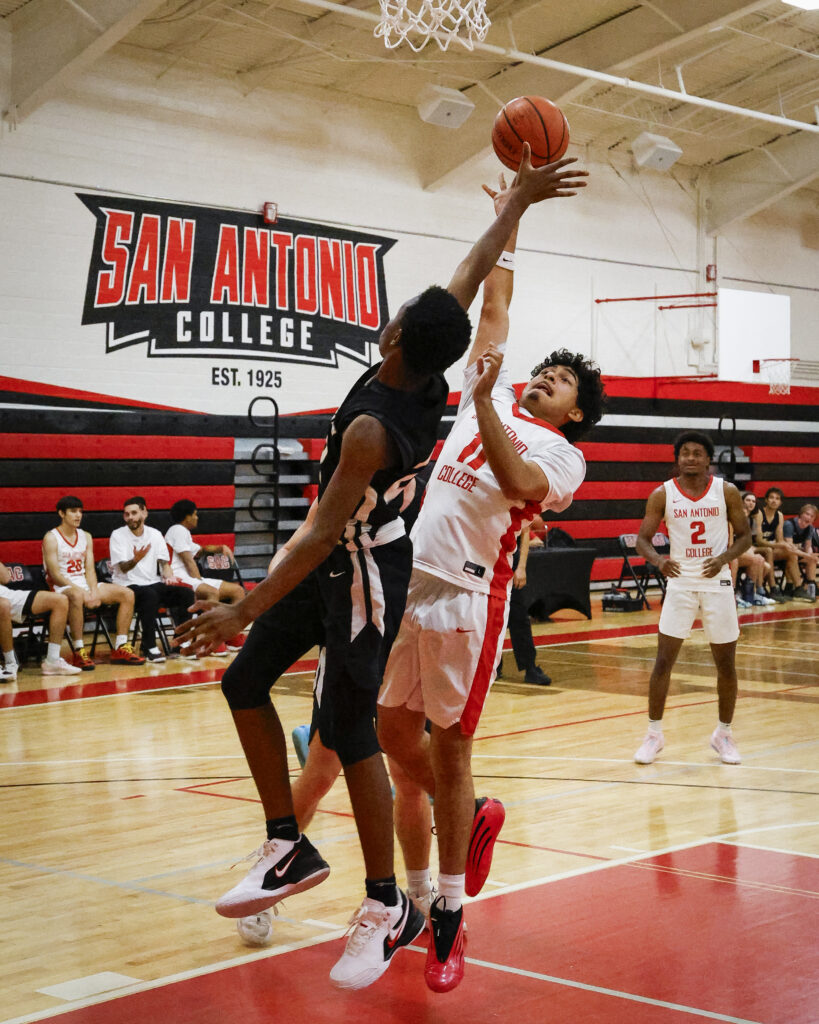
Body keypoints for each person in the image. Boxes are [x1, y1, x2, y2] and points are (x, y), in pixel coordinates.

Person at [176, 147, 589, 992]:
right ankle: (291, 845)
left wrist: (243, 607)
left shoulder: (395, 424)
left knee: (358, 734)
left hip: (380, 569)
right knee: (269, 696)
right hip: (388, 560)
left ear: (396, 337)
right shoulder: (434, 365)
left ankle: (401, 905)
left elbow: (323, 534)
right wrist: (513, 208)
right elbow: (470, 283)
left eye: (397, 314)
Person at [376, 178, 605, 993]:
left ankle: (445, 919)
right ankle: (460, 824)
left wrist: (482, 401)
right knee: (392, 740)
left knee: (449, 745)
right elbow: (495, 306)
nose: (543, 374)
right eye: (542, 369)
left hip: (469, 599)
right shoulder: (493, 394)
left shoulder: (562, 455)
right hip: (404, 584)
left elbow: (518, 485)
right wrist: (515, 215)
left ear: (576, 412)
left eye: (560, 379)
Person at [633, 431, 752, 768]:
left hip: (717, 581)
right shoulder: (662, 494)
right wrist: (658, 561)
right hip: (680, 581)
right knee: (663, 661)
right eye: (684, 453)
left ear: (708, 459)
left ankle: (724, 734)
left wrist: (724, 557)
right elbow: (643, 540)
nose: (690, 458)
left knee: (725, 663)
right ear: (677, 458)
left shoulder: (726, 491)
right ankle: (654, 734)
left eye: (697, 453)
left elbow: (745, 538)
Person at [42, 496, 145, 669]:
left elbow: (89, 569)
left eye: (80, 511)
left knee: (127, 593)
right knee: (75, 595)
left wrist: (93, 592)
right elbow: (54, 574)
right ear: (61, 513)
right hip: (62, 587)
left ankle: (120, 646)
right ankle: (79, 650)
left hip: (84, 584)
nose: (78, 515)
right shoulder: (51, 538)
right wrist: (82, 592)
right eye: (73, 511)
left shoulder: (86, 536)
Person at [109, 496, 193, 663]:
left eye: (134, 513)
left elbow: (164, 563)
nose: (130, 517)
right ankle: (148, 646)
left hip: (152, 582)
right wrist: (136, 559)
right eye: (126, 514)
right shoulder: (117, 535)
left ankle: (179, 641)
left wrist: (169, 577)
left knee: (186, 594)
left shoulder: (155, 534)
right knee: (149, 595)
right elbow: (123, 568)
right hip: (126, 585)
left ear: (144, 513)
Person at [165, 499, 246, 653]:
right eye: (195, 514)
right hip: (177, 577)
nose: (197, 517)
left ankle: (229, 634)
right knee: (211, 592)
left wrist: (220, 547)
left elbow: (201, 550)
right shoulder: (177, 530)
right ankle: (210, 640)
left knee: (237, 591)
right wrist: (200, 582)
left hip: (188, 577)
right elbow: (189, 561)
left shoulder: (183, 532)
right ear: (187, 517)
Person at [0, 560, 81, 678]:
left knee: (60, 600)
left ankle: (52, 661)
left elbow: (6, 578)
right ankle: (10, 663)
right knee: (3, 606)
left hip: (6, 594)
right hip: (3, 603)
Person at [500, 525, 551, 685]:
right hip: (489, 562)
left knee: (519, 617)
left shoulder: (517, 504)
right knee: (490, 618)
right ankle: (493, 667)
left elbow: (526, 532)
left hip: (511, 564)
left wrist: (521, 567)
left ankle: (530, 667)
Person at [751, 487, 802, 598]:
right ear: (766, 500)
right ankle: (773, 588)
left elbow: (779, 539)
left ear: (780, 502)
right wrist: (778, 544)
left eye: (777, 498)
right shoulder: (759, 514)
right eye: (771, 498)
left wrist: (786, 546)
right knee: (770, 550)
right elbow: (759, 541)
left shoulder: (779, 515)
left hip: (770, 549)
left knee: (791, 553)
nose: (774, 500)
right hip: (756, 549)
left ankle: (796, 587)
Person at [782, 503, 818, 601]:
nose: (809, 517)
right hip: (781, 552)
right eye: (807, 514)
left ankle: (811, 585)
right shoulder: (789, 524)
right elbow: (790, 547)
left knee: (812, 559)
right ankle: (795, 587)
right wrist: (806, 555)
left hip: (796, 553)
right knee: (792, 555)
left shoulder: (810, 528)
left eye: (812, 516)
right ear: (801, 514)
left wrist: (810, 555)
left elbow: (808, 546)